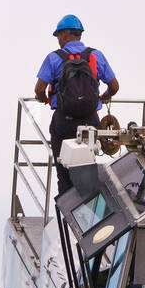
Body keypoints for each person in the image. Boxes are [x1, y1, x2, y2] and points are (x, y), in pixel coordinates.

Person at [35, 15, 119, 193]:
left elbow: (39, 89)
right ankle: (91, 212)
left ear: (64, 35)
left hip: (64, 121)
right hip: (90, 121)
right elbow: (114, 86)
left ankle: (67, 213)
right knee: (86, 168)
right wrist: (102, 98)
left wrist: (43, 99)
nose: (58, 40)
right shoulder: (95, 55)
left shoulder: (54, 58)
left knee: (63, 169)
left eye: (58, 36)